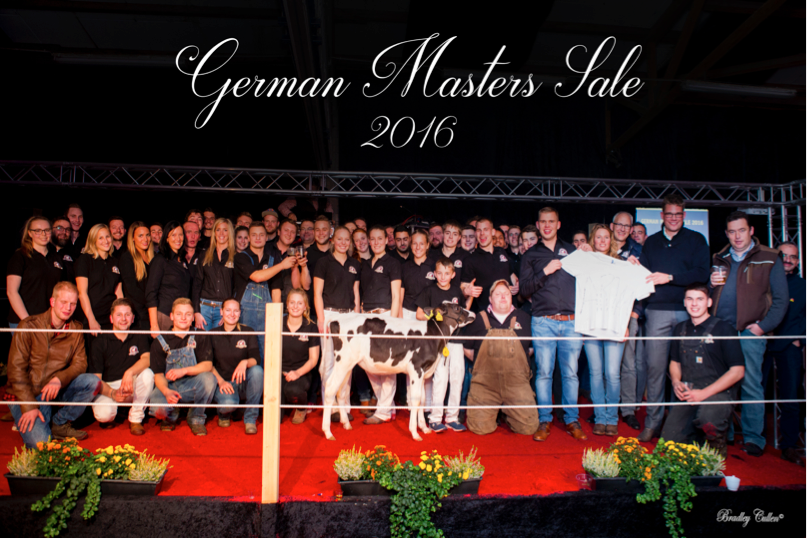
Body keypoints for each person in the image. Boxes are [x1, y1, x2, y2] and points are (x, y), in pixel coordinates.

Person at [709, 211, 788, 457]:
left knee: (751, 383)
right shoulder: (720, 257)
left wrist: (762, 327)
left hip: (750, 331)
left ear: (751, 230)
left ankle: (754, 438)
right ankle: (725, 434)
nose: (737, 236)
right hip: (722, 331)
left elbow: (781, 300)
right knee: (721, 384)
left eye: (741, 230)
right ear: (726, 234)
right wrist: (710, 284)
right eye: (732, 232)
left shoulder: (769, 256)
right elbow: (711, 295)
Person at [637, 194, 710, 443]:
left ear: (684, 215)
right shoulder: (651, 242)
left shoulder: (696, 240)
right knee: (655, 369)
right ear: (662, 215)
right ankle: (653, 423)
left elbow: (702, 273)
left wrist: (670, 277)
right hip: (656, 311)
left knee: (688, 369)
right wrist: (633, 266)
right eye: (669, 214)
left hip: (687, 312)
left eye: (678, 214)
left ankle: (682, 427)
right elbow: (643, 276)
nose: (674, 218)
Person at [520, 207, 589, 442]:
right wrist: (545, 272)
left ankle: (571, 420)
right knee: (544, 374)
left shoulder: (573, 252)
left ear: (558, 225)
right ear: (538, 225)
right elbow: (524, 290)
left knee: (570, 374)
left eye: (551, 221)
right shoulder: (530, 255)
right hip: (543, 322)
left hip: (571, 322)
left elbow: (591, 280)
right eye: (543, 222)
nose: (547, 225)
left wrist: (591, 254)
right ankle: (544, 420)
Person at [7, 282, 101, 446]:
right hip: (27, 393)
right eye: (63, 302)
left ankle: (59, 423)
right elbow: (16, 370)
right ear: (52, 301)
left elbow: (80, 364)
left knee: (93, 382)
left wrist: (59, 379)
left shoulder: (76, 329)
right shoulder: (28, 326)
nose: (68, 308)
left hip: (54, 389)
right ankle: (38, 419)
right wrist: (29, 406)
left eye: (73, 304)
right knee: (41, 444)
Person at [659, 284, 745, 458]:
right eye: (690, 299)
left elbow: (738, 371)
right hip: (690, 392)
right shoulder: (680, 329)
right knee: (668, 444)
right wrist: (676, 381)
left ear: (709, 302)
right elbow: (675, 362)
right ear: (684, 302)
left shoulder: (724, 328)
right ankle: (696, 440)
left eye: (700, 299)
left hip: (718, 392)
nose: (694, 304)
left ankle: (715, 447)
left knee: (708, 420)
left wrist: (704, 394)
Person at [463, 279, 538, 436]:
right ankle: (497, 409)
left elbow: (531, 348)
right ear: (490, 299)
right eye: (498, 294)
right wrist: (481, 363)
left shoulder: (525, 318)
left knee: (528, 427)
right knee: (479, 428)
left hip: (517, 384)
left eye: (506, 293)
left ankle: (507, 411)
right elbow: (467, 348)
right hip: (485, 385)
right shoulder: (478, 319)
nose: (503, 297)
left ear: (511, 297)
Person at [415, 256, 470, 432]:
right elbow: (419, 314)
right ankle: (435, 418)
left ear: (453, 274)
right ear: (434, 274)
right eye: (439, 273)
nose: (443, 277)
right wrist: (436, 315)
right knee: (440, 378)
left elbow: (463, 314)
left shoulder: (456, 291)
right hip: (438, 342)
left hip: (457, 340)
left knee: (457, 377)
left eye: (447, 273)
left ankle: (452, 417)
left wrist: (470, 297)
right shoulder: (429, 291)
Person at [148, 298, 216, 435]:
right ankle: (171, 415)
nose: (183, 318)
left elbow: (208, 365)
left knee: (209, 378)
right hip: (168, 386)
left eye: (188, 314)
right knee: (158, 410)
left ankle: (196, 418)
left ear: (193, 317)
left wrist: (184, 371)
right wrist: (166, 392)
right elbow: (158, 375)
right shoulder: (160, 341)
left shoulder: (200, 336)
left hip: (192, 385)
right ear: (172, 316)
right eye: (179, 314)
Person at [313, 226, 361, 421]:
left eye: (346, 240)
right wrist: (321, 319)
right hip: (329, 314)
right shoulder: (323, 262)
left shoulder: (354, 264)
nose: (343, 243)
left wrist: (357, 318)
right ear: (333, 240)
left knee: (347, 364)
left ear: (350, 243)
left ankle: (344, 407)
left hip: (349, 317)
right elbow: (317, 293)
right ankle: (330, 407)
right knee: (328, 363)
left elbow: (356, 293)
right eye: (339, 239)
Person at [765, 242, 805, 466]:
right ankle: (755, 440)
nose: (788, 260)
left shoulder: (803, 286)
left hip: (789, 343)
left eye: (793, 257)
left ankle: (789, 445)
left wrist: (800, 338)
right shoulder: (765, 280)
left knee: (791, 396)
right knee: (756, 391)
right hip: (763, 341)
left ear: (798, 261)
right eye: (784, 255)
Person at [89, 298, 154, 435]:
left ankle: (136, 418)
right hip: (109, 388)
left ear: (133, 318)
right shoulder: (100, 341)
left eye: (127, 314)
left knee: (148, 374)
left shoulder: (138, 335)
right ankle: (115, 413)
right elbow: (96, 379)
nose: (123, 319)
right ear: (111, 318)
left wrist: (129, 373)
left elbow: (147, 359)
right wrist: (112, 393)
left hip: (130, 385)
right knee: (104, 416)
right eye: (119, 315)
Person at [359, 226, 403, 425]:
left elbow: (396, 296)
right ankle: (387, 406)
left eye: (380, 239)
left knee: (387, 366)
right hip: (367, 318)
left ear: (386, 240)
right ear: (369, 241)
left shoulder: (393, 263)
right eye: (372, 239)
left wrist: (392, 323)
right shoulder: (365, 264)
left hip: (385, 317)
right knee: (370, 366)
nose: (376, 242)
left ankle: (383, 411)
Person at [234, 222, 294, 359]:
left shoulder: (273, 261)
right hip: (244, 314)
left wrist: (277, 318)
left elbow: (276, 291)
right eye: (254, 235)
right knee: (244, 351)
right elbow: (256, 277)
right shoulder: (241, 257)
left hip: (267, 315)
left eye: (261, 235)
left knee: (266, 352)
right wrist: (282, 266)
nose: (258, 238)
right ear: (249, 238)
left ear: (266, 238)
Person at [610, 212, 644, 432]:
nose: (622, 229)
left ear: (631, 229)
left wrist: (635, 313)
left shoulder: (640, 251)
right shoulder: (601, 248)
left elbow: (645, 283)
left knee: (628, 363)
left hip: (628, 313)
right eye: (618, 224)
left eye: (626, 226)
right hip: (604, 314)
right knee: (607, 364)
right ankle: (607, 407)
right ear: (612, 226)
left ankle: (628, 410)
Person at [210, 298, 263, 434]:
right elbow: (208, 364)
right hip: (224, 384)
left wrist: (245, 362)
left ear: (240, 313)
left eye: (236, 311)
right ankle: (224, 413)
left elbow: (256, 359)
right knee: (228, 404)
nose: (232, 314)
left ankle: (250, 418)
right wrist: (221, 382)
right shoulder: (212, 334)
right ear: (221, 312)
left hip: (242, 382)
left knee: (257, 371)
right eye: (228, 310)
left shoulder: (247, 331)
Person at [7, 216, 63, 328]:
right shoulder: (20, 257)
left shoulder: (56, 257)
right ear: (29, 233)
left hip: (48, 321)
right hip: (24, 321)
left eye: (47, 230)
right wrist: (28, 321)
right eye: (37, 230)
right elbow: (12, 292)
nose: (43, 234)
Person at [75, 224, 123, 341]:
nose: (105, 241)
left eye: (107, 237)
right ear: (93, 240)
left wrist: (120, 317)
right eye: (100, 238)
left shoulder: (115, 262)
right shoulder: (85, 260)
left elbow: (118, 293)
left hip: (110, 318)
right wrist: (91, 320)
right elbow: (82, 293)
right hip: (91, 317)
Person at [280, 290, 321, 424]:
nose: (295, 306)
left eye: (299, 303)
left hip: (301, 373)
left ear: (305, 307)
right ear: (287, 305)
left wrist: (297, 373)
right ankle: (285, 403)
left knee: (293, 390)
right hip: (280, 373)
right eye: (292, 302)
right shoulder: (278, 323)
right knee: (274, 419)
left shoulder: (311, 327)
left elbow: (314, 359)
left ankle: (301, 407)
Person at [461, 218, 519, 312]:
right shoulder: (470, 260)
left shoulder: (501, 251)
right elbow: (463, 287)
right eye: (479, 230)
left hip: (509, 310)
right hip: (487, 313)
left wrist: (517, 286)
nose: (482, 233)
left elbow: (510, 273)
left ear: (493, 232)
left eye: (486, 229)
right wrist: (466, 291)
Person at [146, 221, 192, 334]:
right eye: (173, 235)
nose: (178, 238)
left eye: (180, 234)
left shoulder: (183, 261)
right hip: (165, 315)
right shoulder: (160, 260)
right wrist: (154, 325)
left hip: (182, 317)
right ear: (166, 238)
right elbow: (151, 292)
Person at [193, 218, 236, 330]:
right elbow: (197, 284)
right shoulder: (204, 255)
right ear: (214, 232)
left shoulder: (236, 256)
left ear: (230, 233)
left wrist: (230, 311)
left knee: (221, 341)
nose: (221, 233)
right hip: (204, 308)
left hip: (223, 310)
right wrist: (196, 312)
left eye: (225, 230)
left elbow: (237, 288)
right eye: (218, 230)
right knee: (202, 341)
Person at [119, 221, 154, 330]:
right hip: (139, 314)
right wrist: (151, 303)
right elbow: (131, 289)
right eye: (140, 236)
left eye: (147, 235)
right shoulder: (127, 258)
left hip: (152, 312)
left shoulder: (153, 258)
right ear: (133, 238)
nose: (145, 239)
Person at [400, 229, 435, 319]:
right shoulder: (404, 267)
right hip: (407, 313)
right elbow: (400, 296)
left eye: (422, 244)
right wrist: (400, 316)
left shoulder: (435, 266)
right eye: (415, 243)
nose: (418, 247)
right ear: (411, 245)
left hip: (427, 315)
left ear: (427, 245)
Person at [274, 219, 308, 306]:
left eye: (292, 232)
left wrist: (295, 267)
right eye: (286, 230)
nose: (289, 234)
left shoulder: (298, 253)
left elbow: (297, 287)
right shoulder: (267, 249)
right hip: (266, 302)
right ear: (278, 232)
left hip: (289, 304)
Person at [51, 216, 76, 283]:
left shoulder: (73, 255)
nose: (64, 232)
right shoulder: (44, 253)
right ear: (50, 229)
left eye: (67, 229)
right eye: (59, 228)